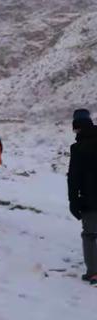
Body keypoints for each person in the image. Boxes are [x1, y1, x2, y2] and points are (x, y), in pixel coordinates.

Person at [67, 109, 97, 286]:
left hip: (89, 199)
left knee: (90, 235)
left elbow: (73, 177)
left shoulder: (78, 148)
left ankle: (94, 273)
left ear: (77, 127)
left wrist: (73, 201)